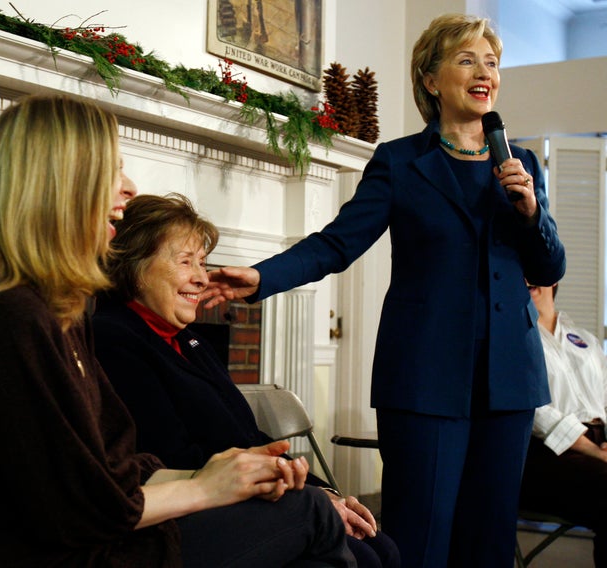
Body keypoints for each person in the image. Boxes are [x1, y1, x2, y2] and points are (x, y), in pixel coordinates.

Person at [0, 94, 358, 567]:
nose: (127, 188)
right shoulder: (11, 321)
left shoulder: (56, 314)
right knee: (312, 517)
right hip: (83, 554)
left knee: (316, 521)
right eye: (113, 169)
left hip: (109, 534)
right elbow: (77, 514)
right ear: (58, 184)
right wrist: (207, 488)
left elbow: (115, 467)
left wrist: (223, 473)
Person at [204, 13, 566, 568]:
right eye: (466, 60)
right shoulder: (400, 162)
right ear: (430, 78)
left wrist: (531, 210)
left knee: (489, 544)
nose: (483, 72)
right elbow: (337, 243)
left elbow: (549, 264)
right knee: (420, 540)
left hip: (509, 380)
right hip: (425, 380)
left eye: (491, 62)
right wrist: (262, 277)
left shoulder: (522, 164)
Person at [92, 192, 401, 568]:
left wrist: (328, 492)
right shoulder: (113, 339)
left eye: (203, 263)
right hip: (184, 515)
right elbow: (169, 457)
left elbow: (249, 437)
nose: (201, 278)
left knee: (381, 545)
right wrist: (300, 494)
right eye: (185, 261)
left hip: (242, 494)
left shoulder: (190, 341)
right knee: (358, 556)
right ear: (134, 265)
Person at [520, 282, 607, 567]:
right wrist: (594, 451)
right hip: (545, 455)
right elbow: (533, 409)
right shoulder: (515, 338)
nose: (528, 280)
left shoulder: (585, 339)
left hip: (599, 446)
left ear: (553, 279)